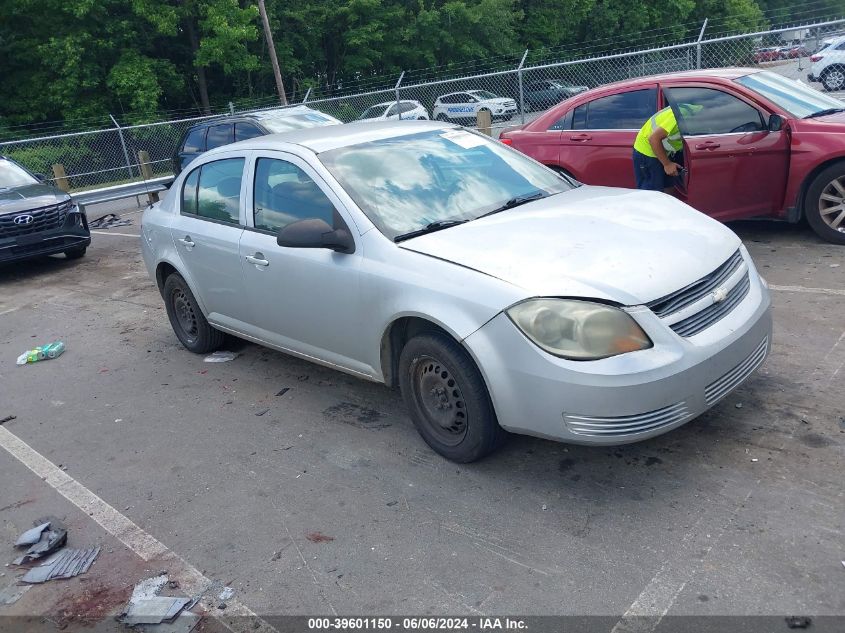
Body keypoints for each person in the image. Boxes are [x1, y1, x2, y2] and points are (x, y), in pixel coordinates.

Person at [632, 103, 699, 192]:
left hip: (664, 150)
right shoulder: (678, 117)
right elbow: (653, 138)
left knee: (668, 186)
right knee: (653, 193)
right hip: (647, 152)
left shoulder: (698, 110)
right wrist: (667, 164)